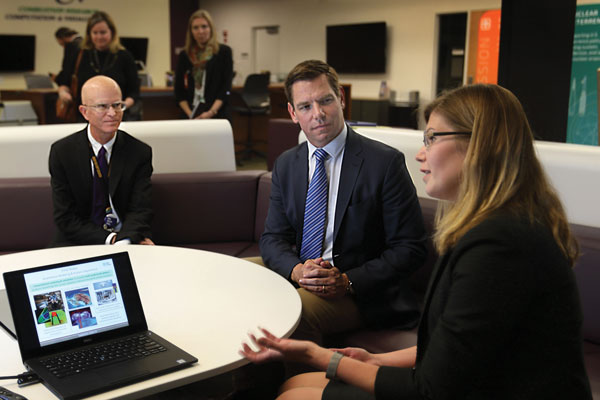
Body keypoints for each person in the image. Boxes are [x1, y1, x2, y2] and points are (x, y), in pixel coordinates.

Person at [241, 84, 593, 399]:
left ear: (480, 145)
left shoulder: (500, 246)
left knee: (295, 395)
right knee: (293, 385)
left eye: (431, 139)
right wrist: (374, 359)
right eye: (305, 106)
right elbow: (452, 348)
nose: (420, 154)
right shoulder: (496, 226)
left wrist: (321, 356)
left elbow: (431, 387)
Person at [260, 60, 428, 346]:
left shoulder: (384, 163)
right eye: (305, 106)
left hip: (362, 292)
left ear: (341, 99)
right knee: (239, 277)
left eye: (325, 100)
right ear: (292, 113)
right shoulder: (288, 163)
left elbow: (410, 248)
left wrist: (348, 281)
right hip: (305, 274)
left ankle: (293, 390)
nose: (318, 114)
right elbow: (273, 238)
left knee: (293, 311)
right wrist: (297, 271)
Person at [49, 75, 154, 246]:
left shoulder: (139, 152)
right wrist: (111, 240)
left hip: (126, 238)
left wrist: (125, 239)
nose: (112, 113)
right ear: (84, 112)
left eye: (117, 105)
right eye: (102, 106)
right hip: (77, 241)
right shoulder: (62, 152)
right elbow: (65, 217)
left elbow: (140, 210)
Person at [56, 11, 140, 121]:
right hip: (84, 119)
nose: (99, 37)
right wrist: (63, 93)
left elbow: (134, 91)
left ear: (112, 32)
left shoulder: (124, 56)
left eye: (103, 32)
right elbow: (64, 82)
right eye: (95, 33)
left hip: (115, 117)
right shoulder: (79, 54)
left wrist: (122, 105)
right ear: (89, 34)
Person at [174, 9, 233, 120]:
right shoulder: (185, 55)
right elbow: (179, 91)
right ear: (191, 31)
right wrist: (191, 114)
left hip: (217, 114)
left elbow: (225, 87)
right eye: (195, 28)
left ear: (211, 28)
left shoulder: (223, 52)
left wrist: (211, 112)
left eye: (204, 26)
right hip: (190, 116)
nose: (200, 31)